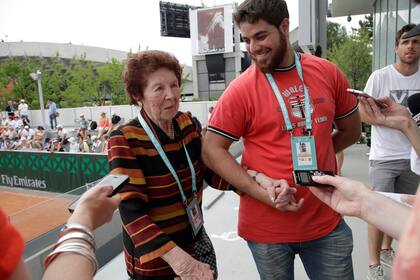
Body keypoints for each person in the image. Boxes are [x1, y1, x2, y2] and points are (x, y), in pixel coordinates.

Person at [202, 1, 361, 279]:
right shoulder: (240, 90)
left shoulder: (327, 72)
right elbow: (212, 150)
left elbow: (351, 130)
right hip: (266, 231)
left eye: (261, 36)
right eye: (246, 39)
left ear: (285, 27)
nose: (253, 48)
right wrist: (262, 193)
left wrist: (319, 158)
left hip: (326, 222)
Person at [107, 50, 219, 280]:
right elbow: (132, 213)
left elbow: (212, 172)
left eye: (175, 85)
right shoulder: (125, 138)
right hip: (157, 262)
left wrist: (255, 181)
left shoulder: (186, 123)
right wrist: (183, 264)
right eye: (159, 88)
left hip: (196, 244)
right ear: (139, 95)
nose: (171, 95)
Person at [361, 24, 420, 279]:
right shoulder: (380, 76)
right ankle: (374, 265)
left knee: (405, 211)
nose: (411, 47)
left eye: (416, 42)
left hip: (414, 157)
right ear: (396, 47)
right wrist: (390, 122)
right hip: (384, 155)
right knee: (378, 210)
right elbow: (362, 111)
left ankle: (387, 249)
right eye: (405, 42)